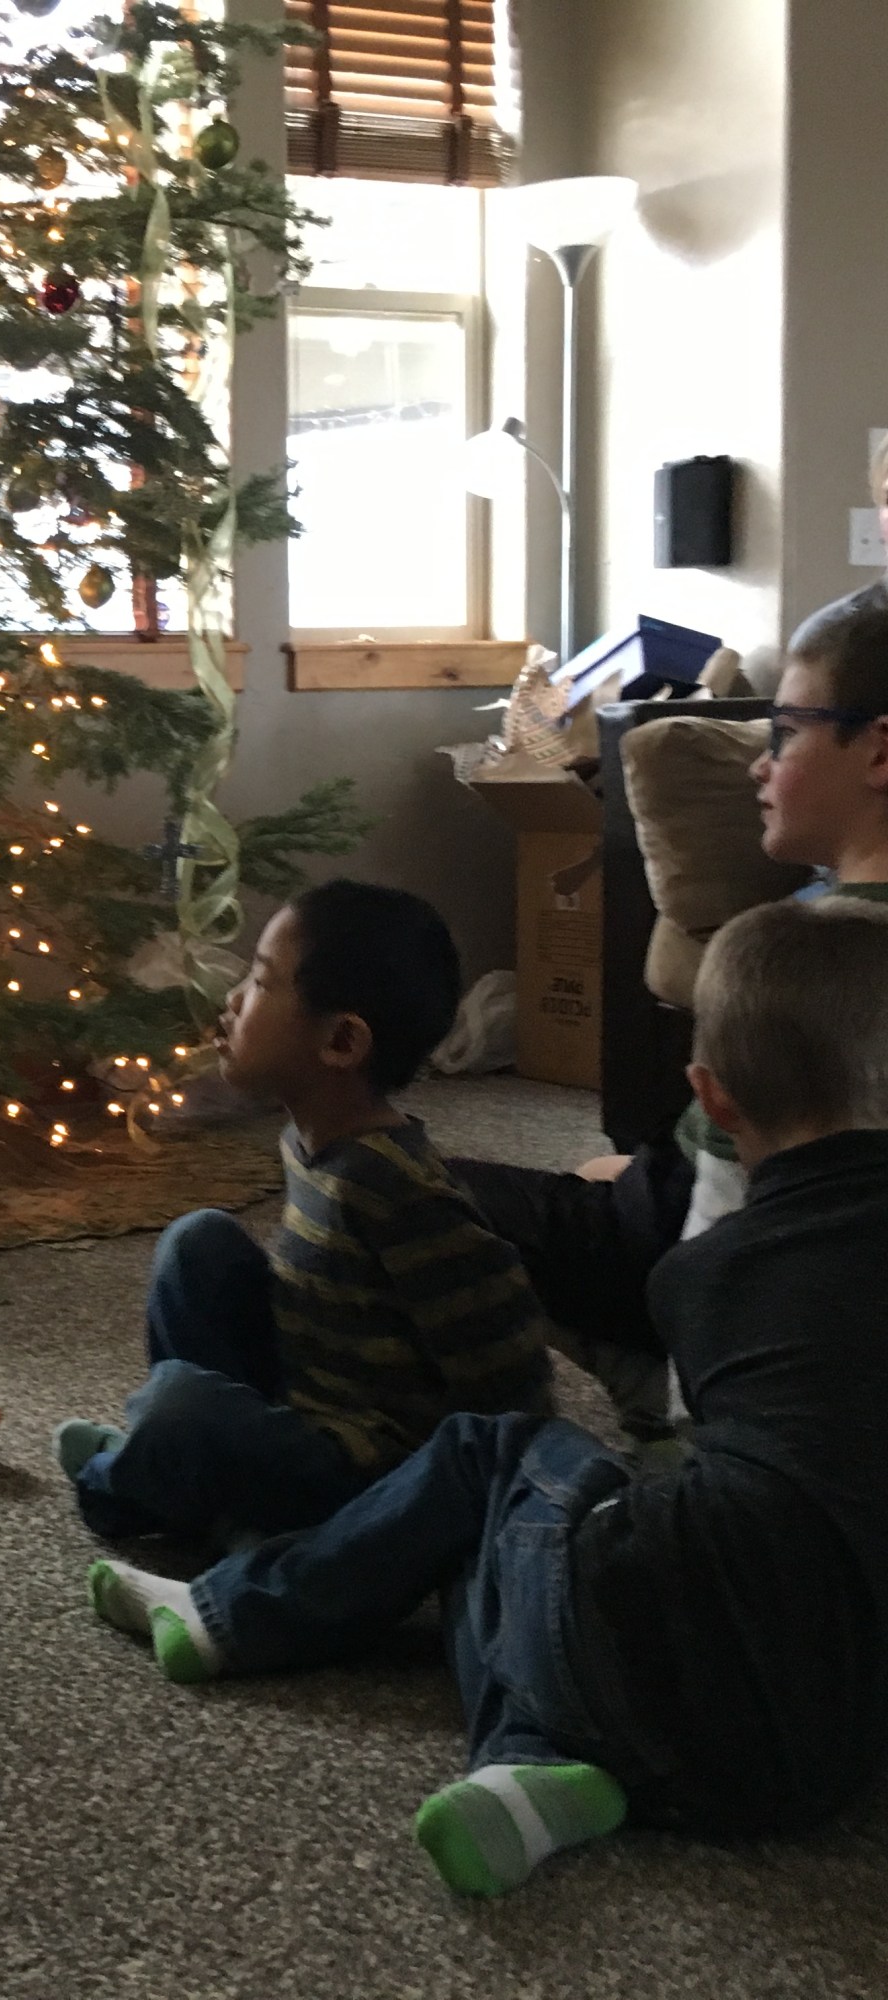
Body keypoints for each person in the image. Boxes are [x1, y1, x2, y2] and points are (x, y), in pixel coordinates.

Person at [89, 897, 888, 1898]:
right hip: (838, 1752)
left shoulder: (709, 1271)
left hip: (654, 1666)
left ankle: (231, 1612)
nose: (236, 998)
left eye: (258, 978)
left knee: (486, 1454)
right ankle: (524, 1769)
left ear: (710, 1102)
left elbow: (644, 1444)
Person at [452, 585, 888, 1404]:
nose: (759, 762)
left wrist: (693, 1392)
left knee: (388, 1188)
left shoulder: (802, 962)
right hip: (710, 1204)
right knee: (601, 1170)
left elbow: (723, 1216)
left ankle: (640, 1370)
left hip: (704, 1262)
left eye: (785, 732)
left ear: (879, 754)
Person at [51, 880, 550, 1547]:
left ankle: (133, 1485)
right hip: (308, 1399)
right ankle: (188, 1472)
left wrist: (465, 1505)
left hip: (363, 1472)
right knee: (198, 1243)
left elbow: (511, 1371)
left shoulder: (403, 1193)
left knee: (180, 1410)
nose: (233, 1001)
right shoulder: (310, 1140)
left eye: (260, 982)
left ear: (341, 1041)